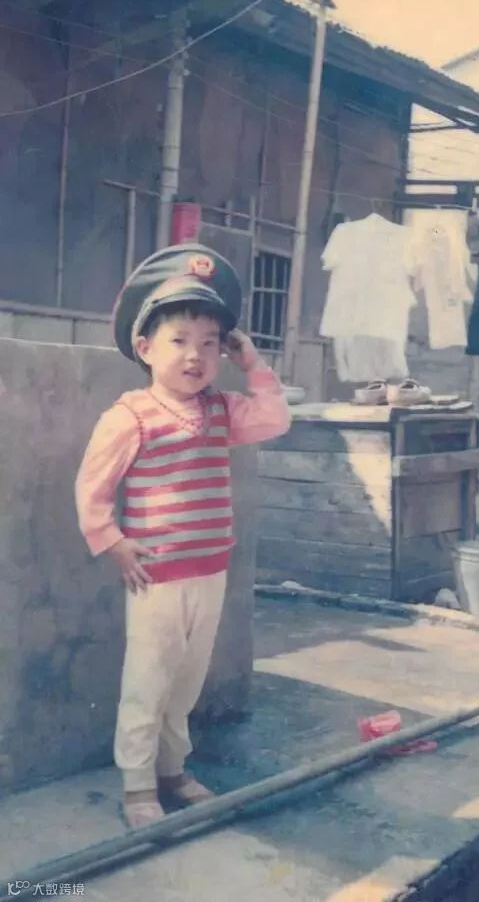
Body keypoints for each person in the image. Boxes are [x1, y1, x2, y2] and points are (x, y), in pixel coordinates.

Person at [75, 244, 291, 829]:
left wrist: (254, 364)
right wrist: (113, 542)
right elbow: (92, 487)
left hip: (209, 572)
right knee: (148, 681)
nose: (196, 355)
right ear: (145, 348)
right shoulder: (131, 415)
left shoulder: (223, 408)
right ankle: (137, 784)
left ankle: (173, 770)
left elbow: (276, 418)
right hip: (157, 578)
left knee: (187, 682)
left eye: (211, 343)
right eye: (179, 340)